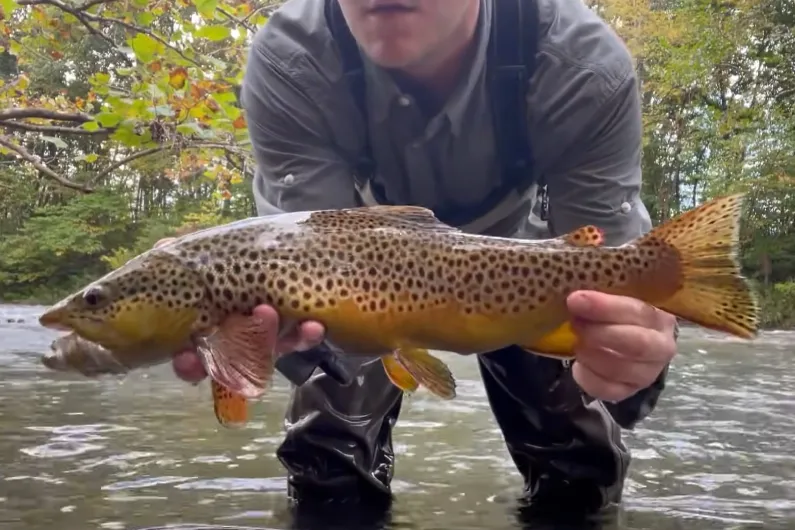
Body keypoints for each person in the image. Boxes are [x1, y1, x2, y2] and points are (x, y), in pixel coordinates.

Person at [163, 0, 679, 521]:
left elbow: (614, 269)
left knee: (580, 468)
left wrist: (636, 342)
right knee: (326, 457)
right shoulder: (291, 60)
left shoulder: (579, 65)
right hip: (357, 269)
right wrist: (260, 346)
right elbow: (304, 265)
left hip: (519, 263)